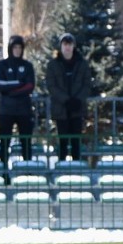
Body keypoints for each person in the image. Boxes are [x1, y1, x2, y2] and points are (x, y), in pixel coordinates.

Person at [45, 32, 91, 161]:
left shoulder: (82, 64)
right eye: (65, 44)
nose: (67, 47)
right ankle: (62, 170)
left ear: (73, 46)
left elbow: (87, 84)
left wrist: (77, 100)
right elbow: (51, 85)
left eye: (69, 44)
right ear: (61, 46)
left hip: (77, 109)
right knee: (63, 143)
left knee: (76, 142)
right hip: (61, 109)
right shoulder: (53, 65)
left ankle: (77, 170)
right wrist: (65, 100)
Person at [0, 34, 35, 175]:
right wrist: (19, 84)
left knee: (26, 142)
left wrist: (11, 90)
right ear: (10, 49)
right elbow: (0, 85)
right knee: (4, 143)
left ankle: (27, 172)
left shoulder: (27, 66)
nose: (17, 50)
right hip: (6, 110)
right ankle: (4, 172)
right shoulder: (2, 65)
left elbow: (30, 86)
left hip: (24, 110)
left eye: (20, 47)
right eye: (15, 47)